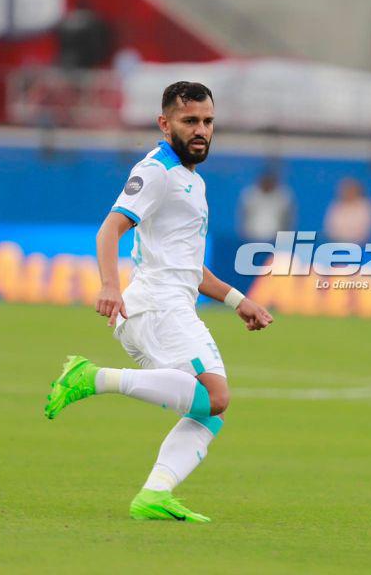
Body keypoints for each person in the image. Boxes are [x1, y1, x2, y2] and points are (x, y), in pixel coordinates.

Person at [44, 81, 274, 523]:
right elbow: (109, 229)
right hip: (155, 306)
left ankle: (155, 494)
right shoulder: (156, 171)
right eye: (190, 121)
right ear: (164, 123)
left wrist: (237, 300)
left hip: (171, 304)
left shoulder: (192, 181)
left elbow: (189, 267)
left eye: (207, 121)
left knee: (208, 413)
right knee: (215, 396)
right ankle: (91, 377)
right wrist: (109, 284)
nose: (201, 130)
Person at [238, 170, 296, 242]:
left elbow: (288, 220)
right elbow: (243, 217)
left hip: (275, 239)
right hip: (252, 238)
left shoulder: (283, 197)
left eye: (270, 182)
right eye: (265, 182)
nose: (267, 185)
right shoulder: (250, 195)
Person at [324, 177, 371, 243]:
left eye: (349, 190)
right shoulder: (336, 204)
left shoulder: (366, 206)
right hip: (336, 242)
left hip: (357, 244)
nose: (345, 192)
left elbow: (362, 232)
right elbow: (329, 227)